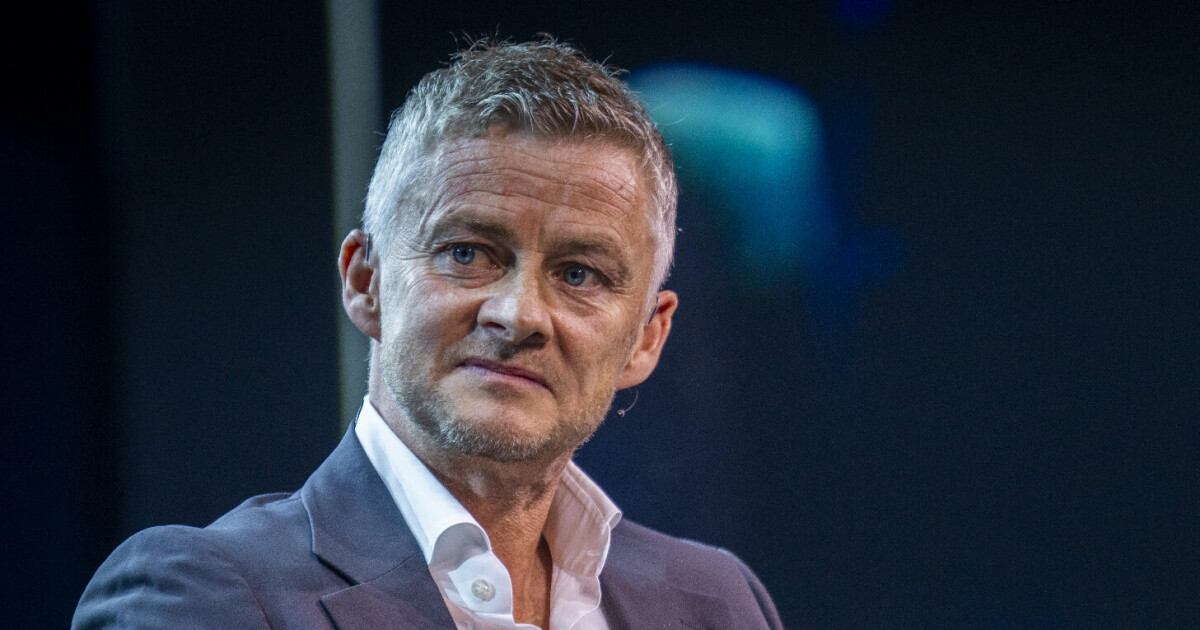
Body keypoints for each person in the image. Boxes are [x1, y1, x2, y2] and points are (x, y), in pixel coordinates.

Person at [73, 38, 783, 630]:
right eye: (468, 253)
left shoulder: (719, 605)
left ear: (647, 338)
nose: (519, 315)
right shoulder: (200, 597)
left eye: (579, 274)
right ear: (366, 282)